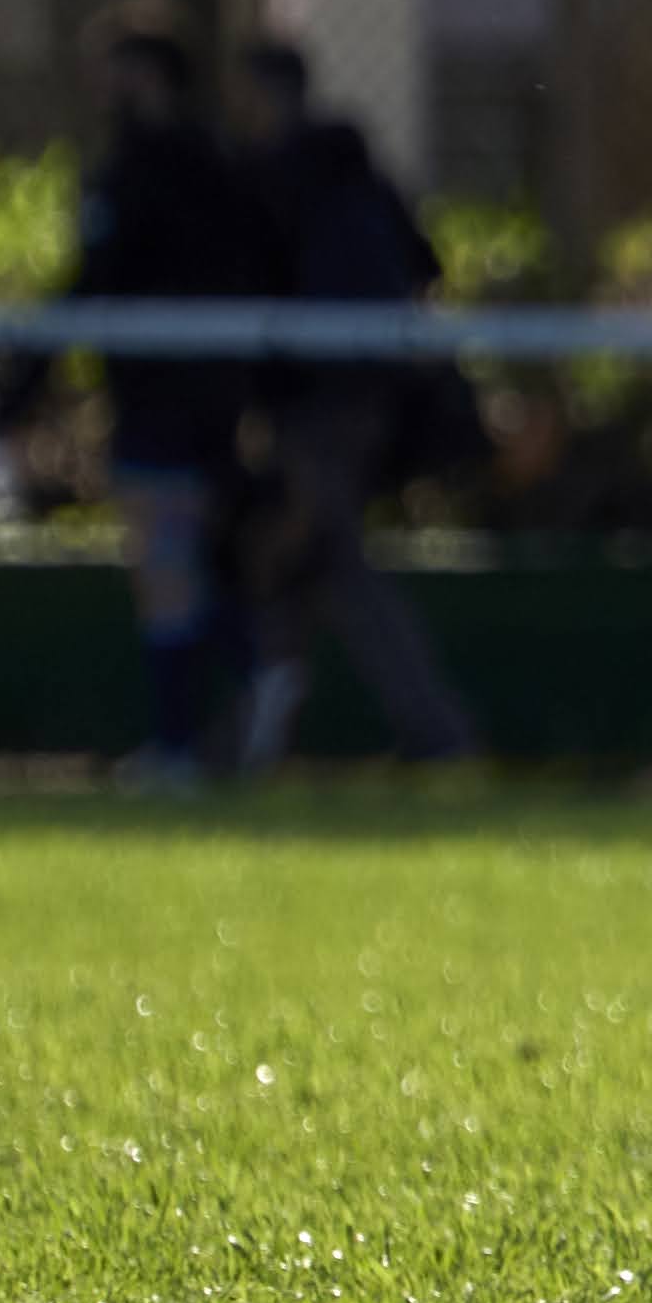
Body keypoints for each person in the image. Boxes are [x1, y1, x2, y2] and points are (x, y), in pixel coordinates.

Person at [0, 0, 278, 789]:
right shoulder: (222, 161)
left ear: (143, 76)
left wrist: (15, 392)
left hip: (163, 395)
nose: (96, 87)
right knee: (178, 557)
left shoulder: (141, 168)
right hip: (213, 392)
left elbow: (93, 282)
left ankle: (234, 689)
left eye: (109, 71)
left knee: (163, 561)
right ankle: (219, 703)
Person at [229, 39, 483, 770]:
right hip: (367, 393)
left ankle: (437, 733)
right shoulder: (356, 171)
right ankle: (256, 725)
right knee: (300, 562)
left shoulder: (283, 177)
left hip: (322, 399)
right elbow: (424, 264)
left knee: (320, 553)